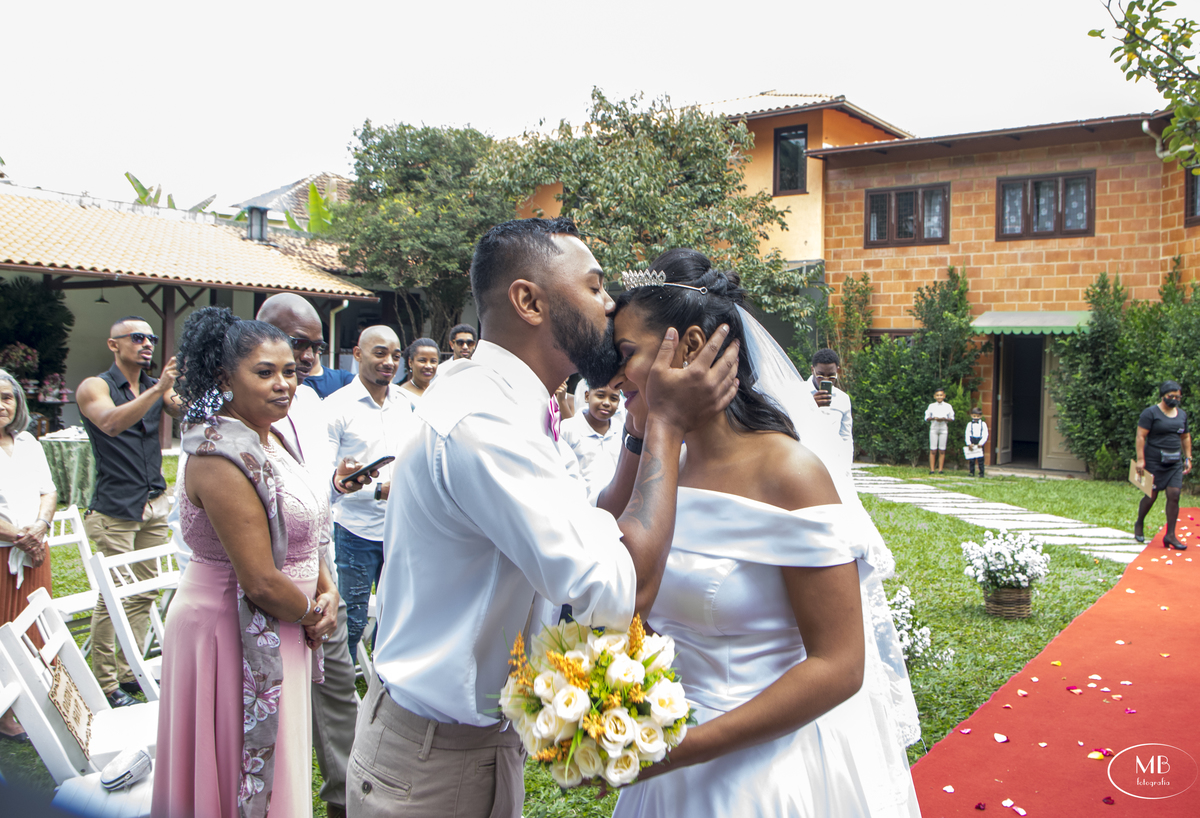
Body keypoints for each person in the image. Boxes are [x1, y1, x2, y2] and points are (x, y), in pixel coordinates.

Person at [347, 218, 739, 818]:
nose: (611, 306)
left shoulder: (505, 400)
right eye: (595, 286)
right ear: (529, 301)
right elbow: (620, 583)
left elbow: (589, 531)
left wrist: (636, 436)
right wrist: (666, 422)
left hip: (462, 743)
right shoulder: (486, 425)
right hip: (433, 761)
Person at [607, 249, 920, 818]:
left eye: (626, 354)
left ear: (693, 347)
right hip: (665, 772)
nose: (613, 374)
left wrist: (681, 749)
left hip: (764, 774)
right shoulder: (661, 470)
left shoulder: (788, 473)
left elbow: (840, 665)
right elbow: (615, 572)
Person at [152, 308, 339, 818]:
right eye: (264, 373)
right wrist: (312, 613)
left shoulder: (272, 435)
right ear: (223, 377)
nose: (283, 385)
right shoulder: (218, 454)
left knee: (281, 763)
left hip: (288, 619)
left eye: (290, 372)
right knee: (233, 772)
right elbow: (257, 579)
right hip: (228, 630)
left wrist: (329, 588)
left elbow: (309, 526)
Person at [257, 293, 368, 818]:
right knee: (271, 720)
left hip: (321, 580)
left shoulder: (309, 405)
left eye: (314, 347)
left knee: (339, 700)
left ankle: (344, 804)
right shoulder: (224, 410)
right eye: (297, 343)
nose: (305, 358)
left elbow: (312, 498)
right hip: (259, 594)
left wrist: (339, 487)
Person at [76, 316, 181, 708]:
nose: (147, 344)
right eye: (137, 338)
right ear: (113, 344)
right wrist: (159, 392)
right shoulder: (95, 386)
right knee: (114, 596)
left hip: (153, 504)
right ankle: (104, 684)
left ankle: (127, 671)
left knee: (144, 593)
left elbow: (189, 413)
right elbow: (111, 423)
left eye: (151, 338)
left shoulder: (157, 388)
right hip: (115, 509)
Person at [326, 326, 415, 661]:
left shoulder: (405, 404)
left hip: (398, 529)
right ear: (358, 353)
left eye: (395, 355)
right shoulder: (336, 407)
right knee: (351, 620)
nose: (389, 362)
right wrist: (379, 490)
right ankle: (339, 692)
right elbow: (327, 478)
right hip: (354, 531)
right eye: (380, 353)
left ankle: (382, 679)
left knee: (397, 615)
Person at [0, 369, 57, 744]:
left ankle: (35, 700)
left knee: (35, 630)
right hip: (4, 554)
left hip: (35, 551)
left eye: (6, 397)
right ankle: (5, 712)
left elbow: (48, 491)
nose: (1, 405)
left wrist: (38, 527)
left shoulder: (29, 443)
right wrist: (17, 536)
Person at [1134, 380, 1192, 549]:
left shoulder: (1182, 415)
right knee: (1151, 495)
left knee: (1174, 494)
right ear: (1163, 396)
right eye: (1171, 396)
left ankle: (1171, 535)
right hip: (1154, 460)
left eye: (1178, 397)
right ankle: (1139, 523)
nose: (1174, 399)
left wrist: (1188, 457)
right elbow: (1140, 436)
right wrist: (1140, 459)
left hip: (1174, 461)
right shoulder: (1150, 413)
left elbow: (1185, 436)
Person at [560, 375, 623, 503]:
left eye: (613, 398)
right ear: (587, 396)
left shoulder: (622, 431)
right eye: (600, 396)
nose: (606, 402)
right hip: (582, 509)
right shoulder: (568, 429)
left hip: (616, 509)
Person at [299, 329, 355, 399]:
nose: (306, 356)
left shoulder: (343, 378)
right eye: (298, 345)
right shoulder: (291, 383)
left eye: (313, 346)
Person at [397, 337, 439, 405]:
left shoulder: (439, 391)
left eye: (433, 361)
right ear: (410, 362)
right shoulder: (401, 394)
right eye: (422, 360)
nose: (428, 366)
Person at [924, 388, 954, 475]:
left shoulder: (948, 406)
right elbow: (927, 418)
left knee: (942, 450)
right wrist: (934, 418)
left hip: (943, 427)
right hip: (934, 427)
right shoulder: (931, 406)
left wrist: (945, 419)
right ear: (934, 396)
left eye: (941, 395)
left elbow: (952, 418)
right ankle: (932, 469)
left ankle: (940, 469)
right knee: (933, 449)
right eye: (937, 395)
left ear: (944, 396)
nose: (939, 397)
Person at [965, 407, 989, 477]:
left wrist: (981, 443)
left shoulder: (983, 424)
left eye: (978, 416)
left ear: (980, 416)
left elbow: (985, 434)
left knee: (980, 459)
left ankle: (981, 473)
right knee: (971, 459)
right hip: (972, 440)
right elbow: (967, 434)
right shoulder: (969, 424)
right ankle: (971, 472)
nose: (976, 417)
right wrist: (969, 443)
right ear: (971, 415)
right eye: (974, 416)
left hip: (979, 441)